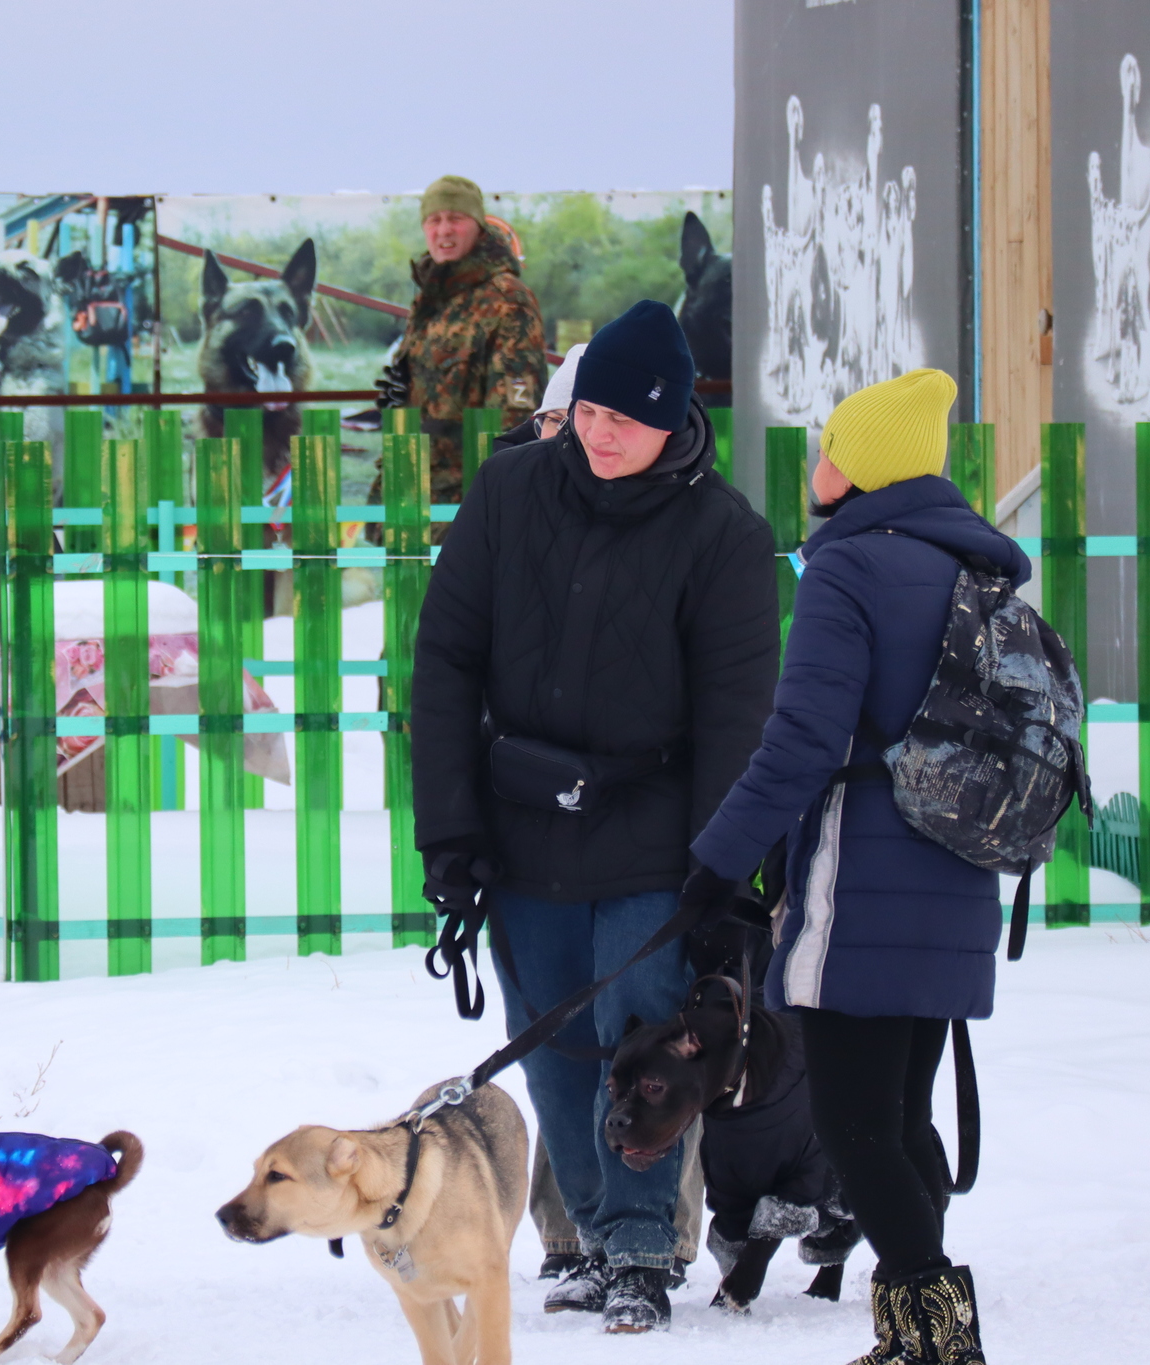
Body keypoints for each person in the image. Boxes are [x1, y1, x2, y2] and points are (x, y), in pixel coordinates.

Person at [411, 300, 779, 1332]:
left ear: (673, 420)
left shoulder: (724, 536)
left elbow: (734, 717)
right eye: (587, 411)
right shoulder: (506, 492)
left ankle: (639, 1249)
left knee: (646, 1047)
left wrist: (719, 868)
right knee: (552, 1048)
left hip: (654, 833)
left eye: (624, 416)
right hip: (520, 821)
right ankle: (576, 1237)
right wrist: (449, 833)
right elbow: (444, 663)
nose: (599, 431)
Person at [683, 369, 1003, 1364]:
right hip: (953, 869)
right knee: (900, 1118)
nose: (814, 463)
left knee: (852, 1123)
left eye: (828, 445)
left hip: (859, 878)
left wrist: (716, 866)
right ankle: (917, 1340)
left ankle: (942, 1340)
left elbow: (801, 742)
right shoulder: (971, 569)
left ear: (858, 468)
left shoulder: (850, 568)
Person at [375, 174, 548, 506]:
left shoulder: (506, 299)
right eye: (434, 220)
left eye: (455, 218)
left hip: (468, 498)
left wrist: (491, 502)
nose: (443, 231)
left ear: (478, 226)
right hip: (413, 488)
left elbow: (516, 416)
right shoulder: (431, 299)